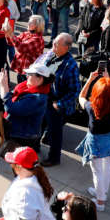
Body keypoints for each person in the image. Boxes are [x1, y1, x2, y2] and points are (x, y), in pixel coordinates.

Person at [76, 66, 110, 212]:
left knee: (97, 171)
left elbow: (81, 97)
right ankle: (102, 192)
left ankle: (100, 201)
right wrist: (107, 79)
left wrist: (90, 79)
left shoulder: (91, 107)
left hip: (95, 142)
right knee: (107, 168)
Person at [43, 33, 81, 166]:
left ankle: (54, 158)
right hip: (47, 98)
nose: (52, 46)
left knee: (55, 132)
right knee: (41, 123)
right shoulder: (53, 56)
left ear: (66, 47)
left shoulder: (70, 66)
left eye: (56, 44)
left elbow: (75, 90)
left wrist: (59, 103)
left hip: (58, 104)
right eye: (53, 42)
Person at [0, 60, 52, 151]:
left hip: (22, 137)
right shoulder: (25, 86)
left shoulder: (37, 98)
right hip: (18, 131)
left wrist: (3, 87)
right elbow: (11, 97)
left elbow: (11, 108)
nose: (26, 76)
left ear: (40, 79)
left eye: (30, 75)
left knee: (15, 160)